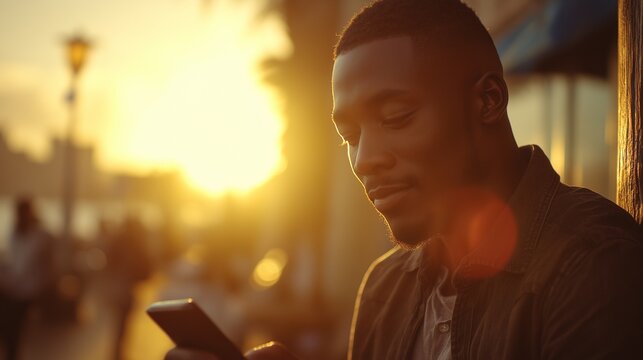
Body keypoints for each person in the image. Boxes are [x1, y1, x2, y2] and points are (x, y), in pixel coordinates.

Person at [166, 0, 643, 359]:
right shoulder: (385, 288)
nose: (364, 159)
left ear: (488, 101)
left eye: (396, 117)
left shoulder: (595, 267)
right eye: (349, 135)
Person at [0, 196, 55, 360]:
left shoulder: (40, 236)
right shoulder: (15, 233)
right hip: (11, 290)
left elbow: (44, 266)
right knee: (10, 335)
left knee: (13, 335)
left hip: (25, 294)